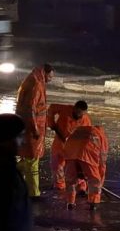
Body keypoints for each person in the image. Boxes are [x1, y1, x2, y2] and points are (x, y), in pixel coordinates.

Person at [15, 64, 54, 199]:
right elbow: (30, 109)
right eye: (50, 76)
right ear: (45, 73)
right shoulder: (36, 85)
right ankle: (34, 193)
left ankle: (8, 172)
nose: (51, 79)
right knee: (33, 159)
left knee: (27, 158)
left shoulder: (33, 80)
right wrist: (35, 129)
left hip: (27, 126)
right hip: (32, 128)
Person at [63, 125, 109, 211]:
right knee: (94, 180)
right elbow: (102, 164)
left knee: (70, 180)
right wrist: (100, 184)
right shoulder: (101, 137)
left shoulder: (80, 129)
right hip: (87, 153)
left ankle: (70, 203)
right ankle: (93, 203)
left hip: (69, 151)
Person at [47, 100, 90, 190]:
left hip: (74, 148)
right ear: (74, 108)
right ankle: (59, 187)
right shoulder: (65, 109)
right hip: (60, 143)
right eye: (78, 112)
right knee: (56, 165)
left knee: (76, 168)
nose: (79, 115)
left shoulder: (86, 120)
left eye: (81, 114)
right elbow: (51, 108)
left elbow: (87, 136)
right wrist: (51, 123)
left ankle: (81, 187)